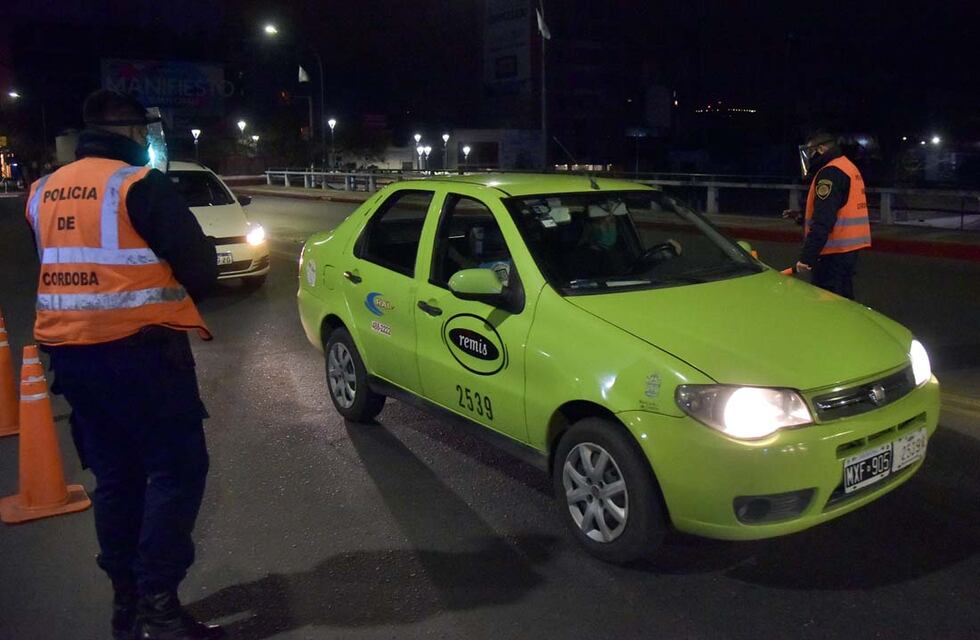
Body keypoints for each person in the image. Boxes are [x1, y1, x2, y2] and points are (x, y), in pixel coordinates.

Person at [24, 90, 222, 639]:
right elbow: (201, 269)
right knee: (176, 472)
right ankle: (159, 604)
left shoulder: (42, 191)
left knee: (115, 479)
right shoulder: (140, 186)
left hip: (72, 361)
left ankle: (127, 606)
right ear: (134, 131)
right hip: (143, 357)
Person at [783, 131, 871, 299]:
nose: (808, 157)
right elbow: (839, 207)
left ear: (821, 149)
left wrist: (807, 258)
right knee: (843, 300)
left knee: (829, 303)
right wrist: (801, 216)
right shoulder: (846, 166)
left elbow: (824, 220)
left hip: (832, 254)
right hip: (847, 251)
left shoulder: (830, 173)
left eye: (810, 151)